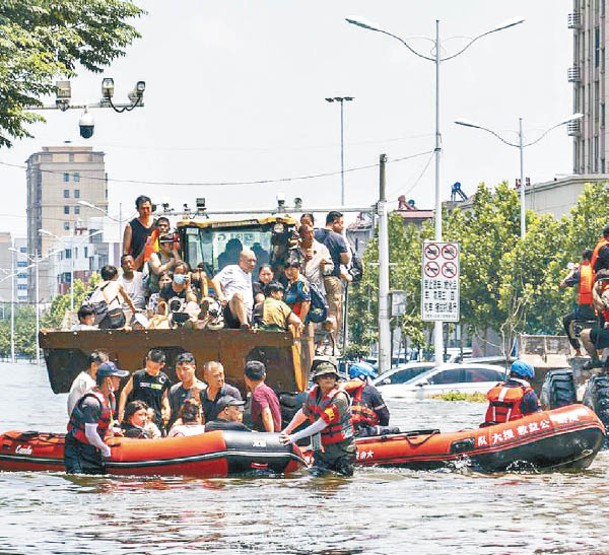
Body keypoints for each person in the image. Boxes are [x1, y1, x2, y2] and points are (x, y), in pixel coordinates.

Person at [280, 359, 355, 477]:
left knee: (342, 481)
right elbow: (303, 413)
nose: (329, 379)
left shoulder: (340, 399)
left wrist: (294, 437)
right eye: (325, 376)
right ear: (318, 380)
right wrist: (286, 431)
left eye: (332, 376)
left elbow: (321, 424)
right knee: (316, 482)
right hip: (322, 450)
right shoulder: (313, 395)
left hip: (342, 450)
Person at [64, 361, 129, 474]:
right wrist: (105, 448)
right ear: (108, 380)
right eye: (117, 378)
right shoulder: (92, 402)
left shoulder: (110, 398)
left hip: (93, 448)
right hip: (78, 449)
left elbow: (104, 423)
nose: (119, 380)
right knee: (82, 480)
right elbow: (90, 434)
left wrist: (113, 431)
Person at [314, 212, 350, 345]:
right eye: (341, 223)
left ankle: (317, 343)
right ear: (334, 222)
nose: (342, 226)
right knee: (334, 311)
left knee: (315, 310)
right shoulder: (338, 238)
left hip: (314, 279)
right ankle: (331, 344)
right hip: (331, 278)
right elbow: (346, 260)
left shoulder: (314, 235)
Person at [118, 348, 171, 431]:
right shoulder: (138, 375)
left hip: (154, 418)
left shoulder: (164, 379)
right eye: (149, 366)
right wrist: (121, 411)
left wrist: (167, 408)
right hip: (138, 417)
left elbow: (164, 397)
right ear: (146, 360)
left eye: (155, 368)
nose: (151, 370)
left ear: (162, 365)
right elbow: (125, 392)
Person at [559, 249, 596, 356]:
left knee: (566, 320)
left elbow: (562, 284)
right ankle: (600, 349)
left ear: (584, 259)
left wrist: (573, 270)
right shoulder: (598, 269)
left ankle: (577, 350)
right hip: (599, 311)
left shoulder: (580, 270)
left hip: (585, 311)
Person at [211, 248, 257, 329]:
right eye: (249, 261)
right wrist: (221, 296)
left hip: (247, 313)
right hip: (232, 312)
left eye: (254, 261)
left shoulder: (249, 275)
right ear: (241, 261)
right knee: (238, 296)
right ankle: (244, 325)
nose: (252, 264)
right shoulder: (232, 269)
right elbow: (215, 281)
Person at [345, 362, 391, 437]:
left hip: (346, 433)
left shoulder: (342, 390)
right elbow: (385, 416)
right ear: (362, 376)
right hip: (364, 432)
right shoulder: (371, 391)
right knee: (395, 430)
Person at [87, 264, 136, 330]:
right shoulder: (117, 284)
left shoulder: (97, 286)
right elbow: (127, 299)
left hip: (99, 312)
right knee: (119, 333)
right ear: (115, 275)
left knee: (105, 334)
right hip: (114, 311)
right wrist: (134, 310)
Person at [167, 352, 206, 428]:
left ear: (194, 368)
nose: (181, 373)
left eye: (185, 369)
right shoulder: (174, 390)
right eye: (178, 369)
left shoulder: (203, 389)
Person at [66, 351, 109, 416]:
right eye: (105, 367)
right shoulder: (85, 381)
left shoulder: (89, 377)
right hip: (81, 421)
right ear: (93, 366)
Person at [243, 360, 281, 432]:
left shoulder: (258, 393)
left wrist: (270, 437)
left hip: (266, 438)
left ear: (246, 378)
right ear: (264, 376)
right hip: (276, 434)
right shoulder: (269, 390)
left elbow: (266, 413)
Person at [297, 224, 333, 294]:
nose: (311, 235)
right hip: (299, 289)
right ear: (301, 235)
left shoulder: (321, 248)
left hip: (317, 288)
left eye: (312, 232)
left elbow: (330, 267)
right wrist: (304, 261)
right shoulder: (295, 250)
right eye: (307, 233)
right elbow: (291, 268)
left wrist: (323, 267)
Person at [123, 195, 156, 271]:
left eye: (148, 208)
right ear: (137, 209)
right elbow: (126, 251)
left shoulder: (157, 225)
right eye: (142, 208)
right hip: (137, 267)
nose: (145, 211)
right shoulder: (131, 226)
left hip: (154, 266)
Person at [283, 259, 311, 324]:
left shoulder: (301, 283)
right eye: (287, 270)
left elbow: (306, 303)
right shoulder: (290, 282)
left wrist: (300, 322)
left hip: (298, 321)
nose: (289, 272)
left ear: (298, 269)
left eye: (292, 269)